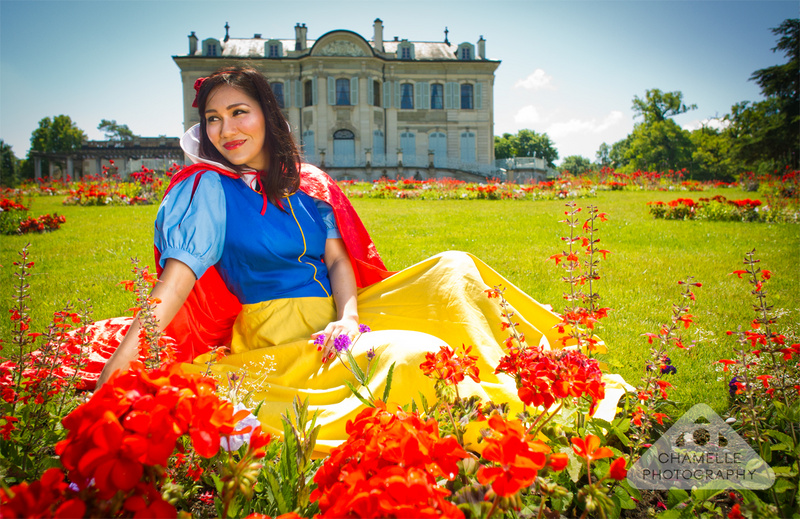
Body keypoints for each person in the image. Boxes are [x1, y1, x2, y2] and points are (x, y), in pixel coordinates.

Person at [98, 66, 627, 454]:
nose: (225, 129)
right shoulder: (209, 190)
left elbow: (338, 264)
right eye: (213, 118)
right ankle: (501, 413)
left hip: (340, 323)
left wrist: (349, 320)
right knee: (414, 355)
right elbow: (171, 290)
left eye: (239, 112)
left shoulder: (309, 183)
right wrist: (110, 390)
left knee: (454, 267)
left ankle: (539, 375)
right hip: (276, 340)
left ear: (267, 115)